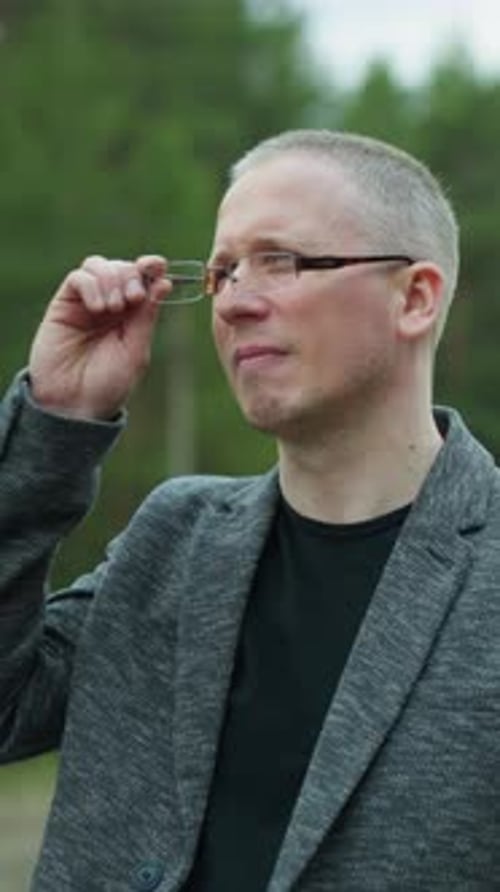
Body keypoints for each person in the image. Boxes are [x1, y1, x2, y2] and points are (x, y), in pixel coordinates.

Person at [0, 129, 499, 892]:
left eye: (283, 260)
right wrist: (52, 432)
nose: (234, 302)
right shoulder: (174, 538)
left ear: (416, 298)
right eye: (226, 270)